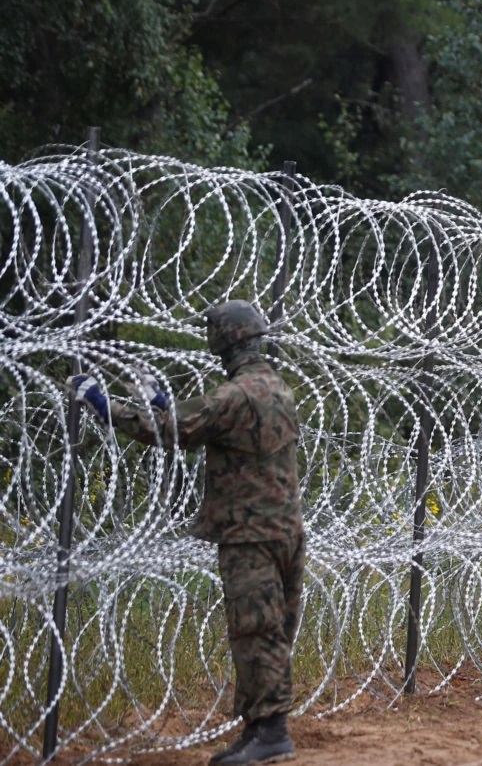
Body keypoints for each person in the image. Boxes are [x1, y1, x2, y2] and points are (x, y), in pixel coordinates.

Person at [72, 301, 303, 766]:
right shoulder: (277, 388)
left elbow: (170, 430)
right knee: (270, 632)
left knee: (256, 634)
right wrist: (163, 402)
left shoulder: (235, 395)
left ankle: (272, 734)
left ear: (224, 340)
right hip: (285, 530)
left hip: (250, 534)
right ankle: (259, 729)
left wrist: (103, 405)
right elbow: (211, 429)